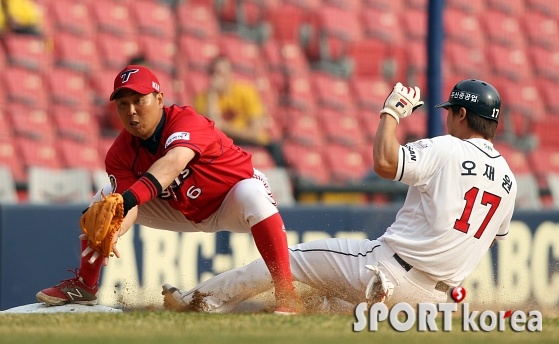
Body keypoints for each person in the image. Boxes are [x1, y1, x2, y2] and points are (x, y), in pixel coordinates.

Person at [162, 79, 518, 313]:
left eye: (450, 113)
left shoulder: (449, 148)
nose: (447, 121)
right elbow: (489, 241)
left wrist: (391, 112)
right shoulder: (509, 180)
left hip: (388, 270)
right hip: (437, 302)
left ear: (461, 114)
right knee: (326, 302)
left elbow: (384, 163)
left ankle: (198, 302)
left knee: (287, 259)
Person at [36, 65, 302, 314]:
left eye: (139, 100)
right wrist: (114, 229)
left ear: (160, 100)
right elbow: (129, 205)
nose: (131, 110)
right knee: (106, 198)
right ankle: (85, 285)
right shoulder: (119, 153)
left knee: (252, 193)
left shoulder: (186, 121)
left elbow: (172, 163)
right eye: (123, 103)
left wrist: (126, 200)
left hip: (229, 198)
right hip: (179, 208)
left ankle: (287, 294)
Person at [193, 56, 282, 164]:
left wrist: (224, 126)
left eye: (221, 74)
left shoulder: (246, 92)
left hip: (253, 144)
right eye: (213, 73)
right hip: (225, 146)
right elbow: (212, 132)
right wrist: (212, 96)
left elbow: (255, 133)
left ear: (230, 74)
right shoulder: (203, 99)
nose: (216, 78)